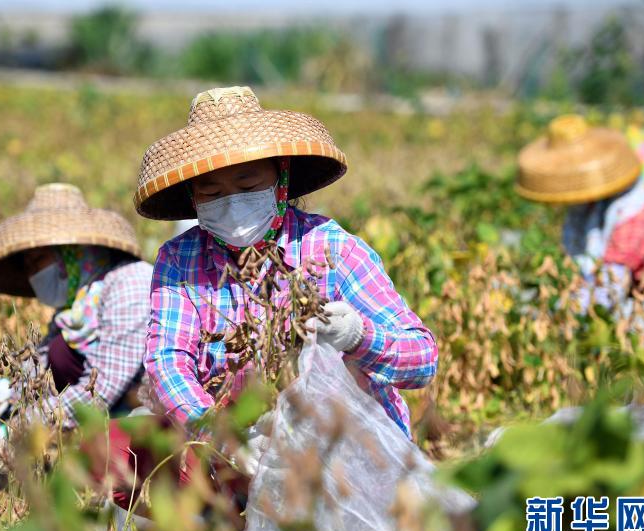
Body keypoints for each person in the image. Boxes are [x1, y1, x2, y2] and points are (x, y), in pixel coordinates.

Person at [136, 86, 438, 439]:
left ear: (281, 179)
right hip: (233, 443)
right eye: (212, 193)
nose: (232, 204)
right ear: (193, 198)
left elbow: (422, 360)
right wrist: (222, 438)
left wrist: (357, 336)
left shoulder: (332, 250)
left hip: (341, 443)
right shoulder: (180, 260)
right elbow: (168, 361)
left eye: (248, 185)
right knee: (130, 435)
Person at [0, 183, 152, 445]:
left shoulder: (129, 282)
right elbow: (39, 366)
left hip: (137, 416)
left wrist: (24, 425)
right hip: (92, 417)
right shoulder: (77, 304)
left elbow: (104, 385)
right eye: (28, 265)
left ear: (70, 252)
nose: (33, 274)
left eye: (38, 260)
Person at [516, 115, 644, 310]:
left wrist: (581, 311)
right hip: (635, 278)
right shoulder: (590, 209)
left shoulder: (632, 211)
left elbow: (615, 273)